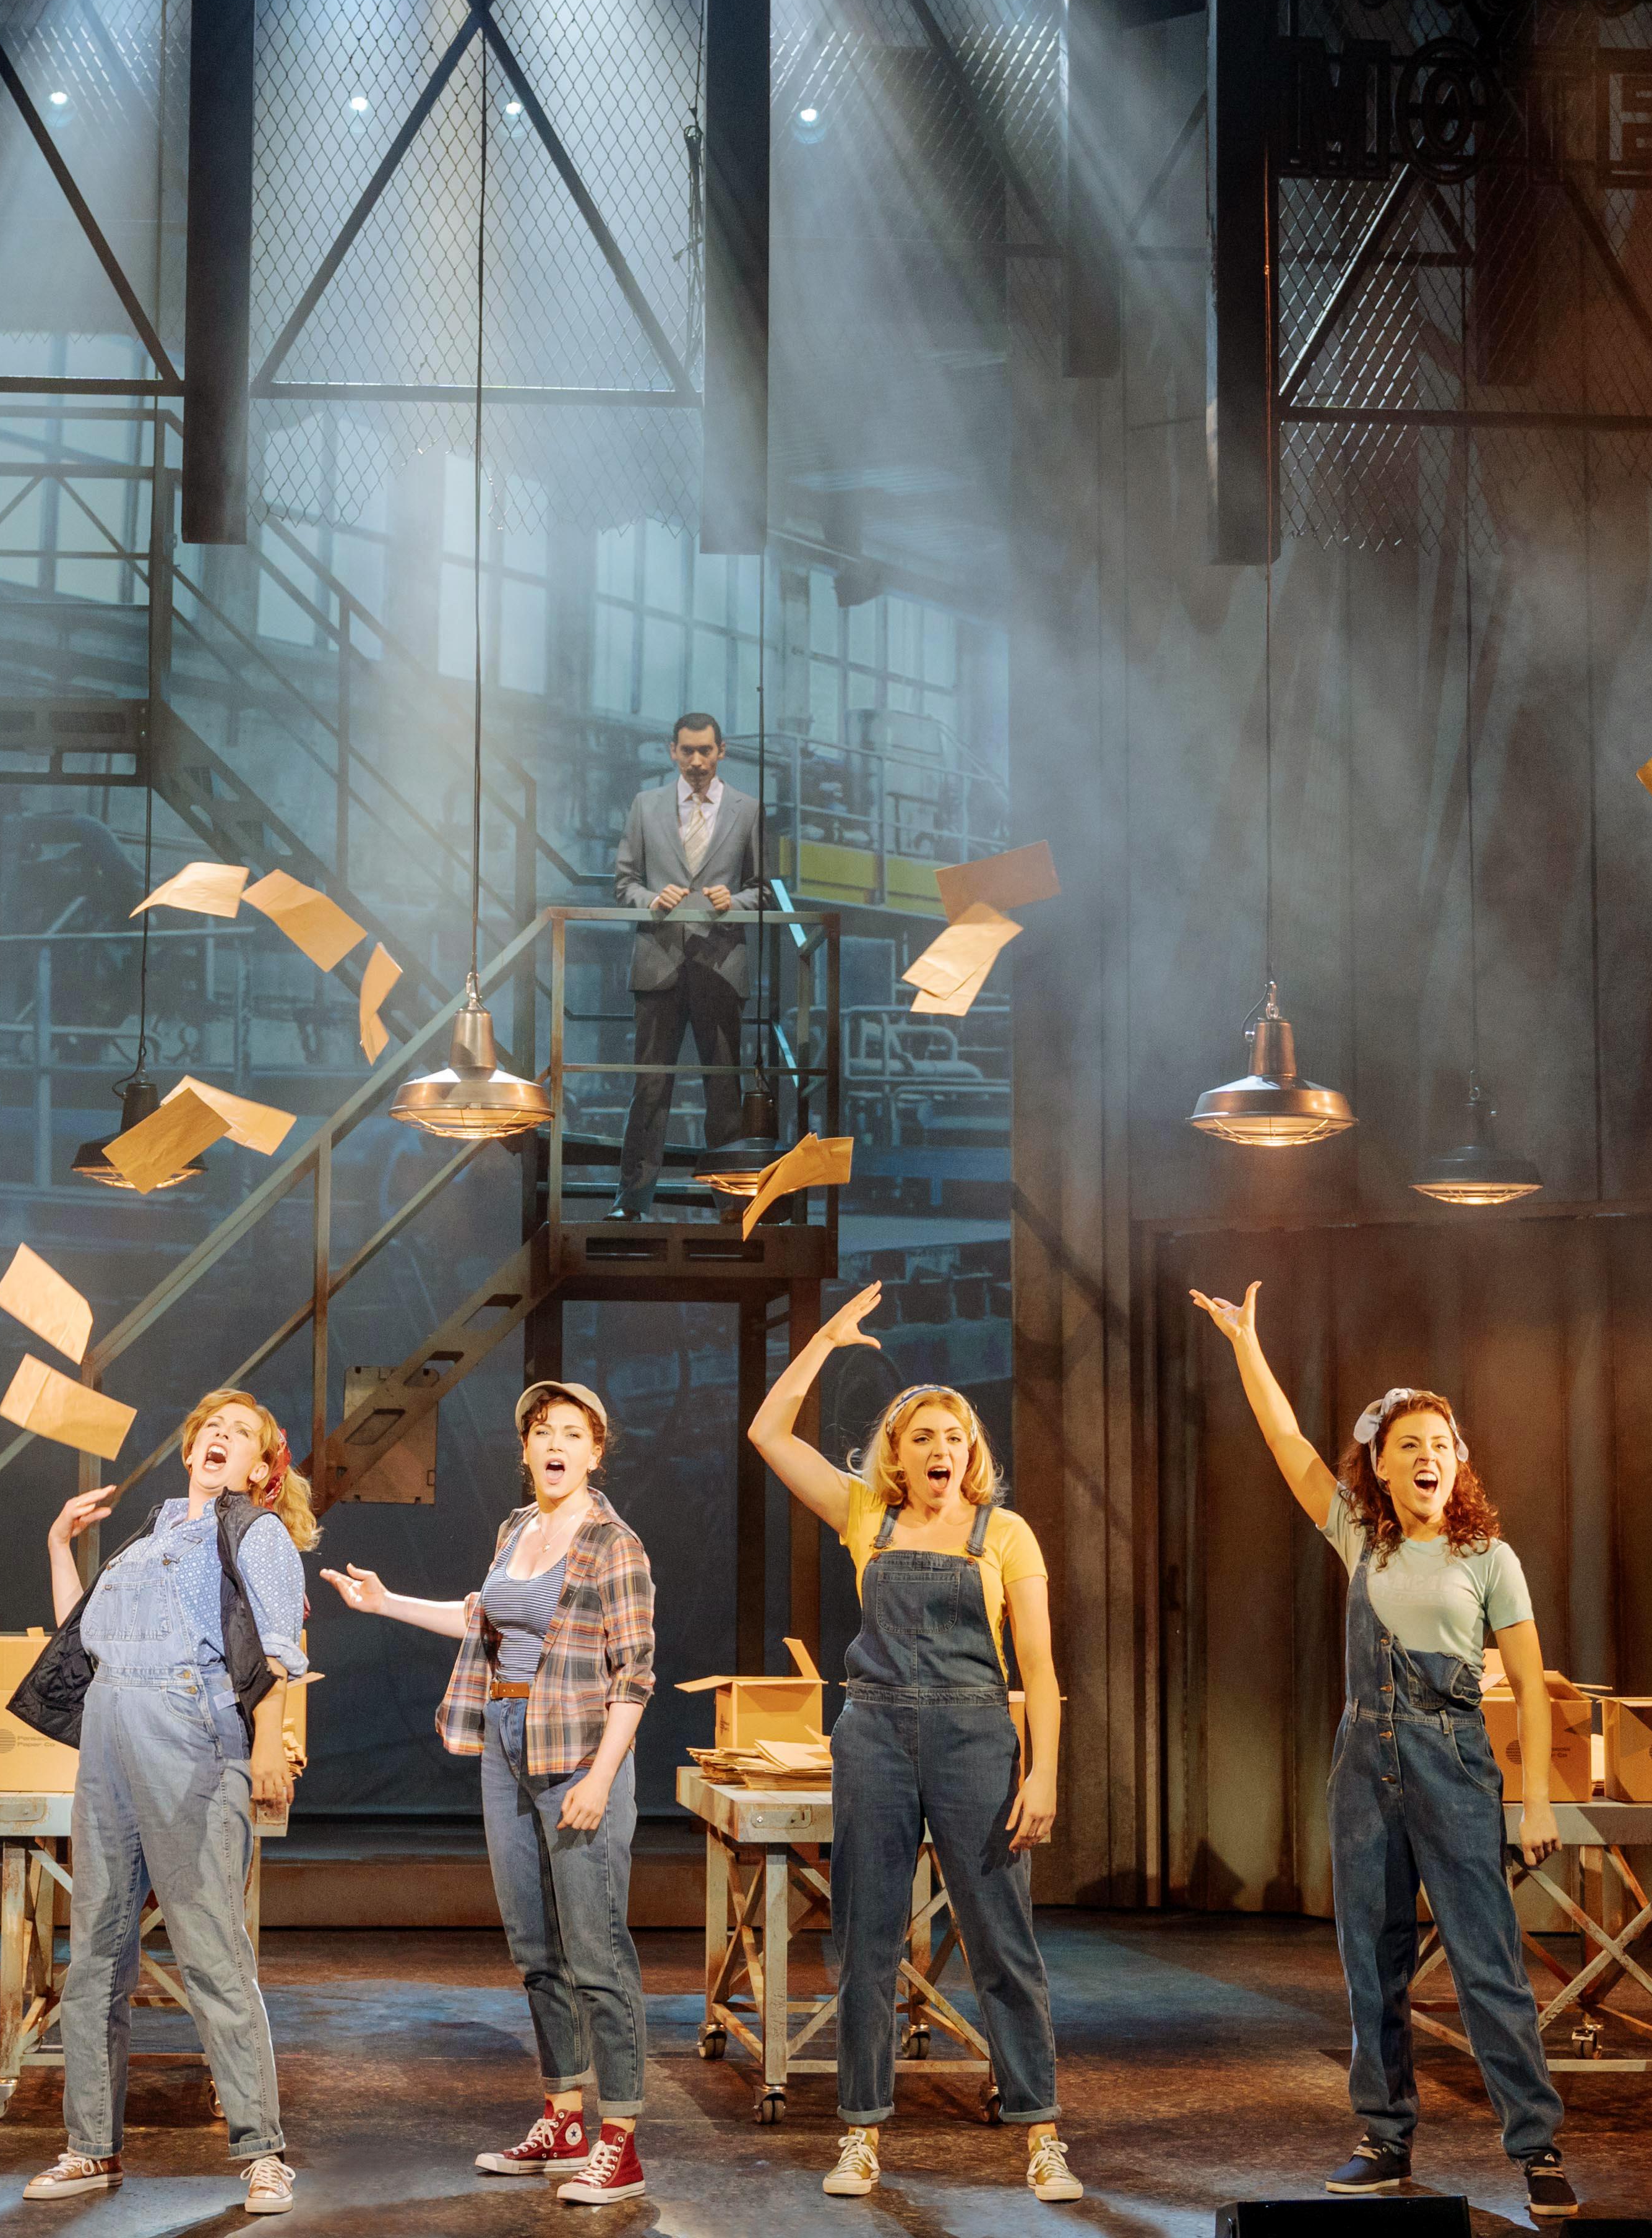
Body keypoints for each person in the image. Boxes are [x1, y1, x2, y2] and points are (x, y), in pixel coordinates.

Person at [1190, 1280, 1583, 2223]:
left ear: (1459, 1464)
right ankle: (1385, 2138)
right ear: (1378, 1462)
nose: (1427, 1456)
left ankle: (1535, 2147)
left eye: (1441, 1445)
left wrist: (1532, 1803)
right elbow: (1285, 1443)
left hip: (1454, 1764)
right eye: (1409, 1444)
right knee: (1373, 1962)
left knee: (1487, 1964)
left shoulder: (1490, 1558)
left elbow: (1531, 1687)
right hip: (1364, 1766)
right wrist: (1248, 1343)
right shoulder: (1357, 1537)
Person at [744, 1283, 1081, 2204]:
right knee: (867, 1938)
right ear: (895, 1452)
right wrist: (824, 1340)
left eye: (955, 1436)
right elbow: (770, 1434)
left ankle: (1040, 2130)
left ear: (974, 1453)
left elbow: (1042, 1673)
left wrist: (1044, 1770)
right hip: (877, 1732)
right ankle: (860, 2133)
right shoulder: (866, 1517)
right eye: (922, 1436)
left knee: (1001, 1940)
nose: (942, 1450)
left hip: (977, 1735)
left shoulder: (1004, 1534)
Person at [322, 1380, 659, 2202]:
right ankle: (563, 2116)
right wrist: (385, 1602)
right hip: (505, 1745)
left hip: (580, 1754)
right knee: (534, 1948)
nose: (555, 1445)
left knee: (595, 1950)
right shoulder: (518, 1530)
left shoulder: (615, 1544)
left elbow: (636, 1676)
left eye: (572, 1433)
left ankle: (621, 2139)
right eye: (543, 1431)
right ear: (526, 1449)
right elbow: (482, 1621)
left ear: (596, 1450)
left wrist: (603, 1778)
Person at [21, 1392, 314, 2216]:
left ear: (262, 1468)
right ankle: (91, 2149)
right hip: (111, 1726)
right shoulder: (147, 1540)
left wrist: (265, 1748)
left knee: (211, 1951)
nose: (218, 1437)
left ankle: (264, 2152)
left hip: (193, 1731)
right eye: (209, 1429)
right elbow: (78, 1641)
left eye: (240, 1434)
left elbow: (281, 1650)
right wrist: (58, 1544)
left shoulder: (258, 1533)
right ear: (191, 1451)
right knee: (97, 1953)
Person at [611, 710, 770, 1219]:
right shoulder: (646, 806)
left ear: (722, 751)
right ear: (672, 752)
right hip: (659, 963)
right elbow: (624, 885)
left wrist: (737, 901)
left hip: (721, 965)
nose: (697, 761)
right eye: (688, 751)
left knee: (723, 1090)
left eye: (706, 751)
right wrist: (654, 900)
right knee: (650, 1089)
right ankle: (632, 1201)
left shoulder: (748, 809)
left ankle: (729, 1203)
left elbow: (764, 889)